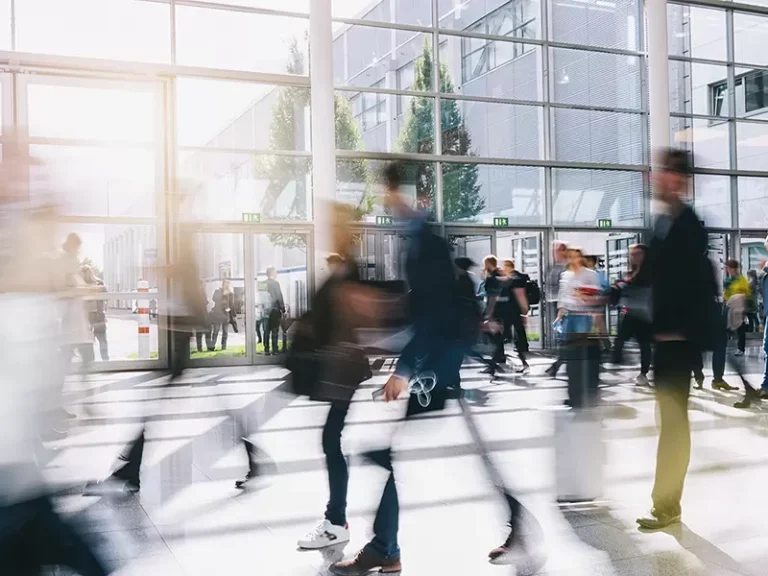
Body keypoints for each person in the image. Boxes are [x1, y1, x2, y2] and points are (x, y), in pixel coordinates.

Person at [331, 163, 527, 575]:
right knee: (463, 451)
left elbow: (434, 313)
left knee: (409, 453)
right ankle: (388, 546)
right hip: (442, 357)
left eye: (391, 192)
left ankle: (387, 547)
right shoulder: (418, 241)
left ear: (406, 194)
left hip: (442, 361)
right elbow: (422, 309)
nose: (388, 200)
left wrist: (403, 369)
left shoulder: (426, 244)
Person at [636, 149, 718, 531]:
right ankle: (666, 502)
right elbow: (651, 277)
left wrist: (681, 330)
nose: (656, 179)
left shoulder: (689, 226)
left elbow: (696, 284)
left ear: (678, 179)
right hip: (664, 340)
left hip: (678, 342)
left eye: (663, 173)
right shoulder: (662, 224)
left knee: (673, 424)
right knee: (670, 422)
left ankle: (667, 505)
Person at [297, 206, 372, 549]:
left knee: (330, 440)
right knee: (330, 440)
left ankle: (337, 520)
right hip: (343, 368)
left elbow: (348, 317)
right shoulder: (345, 267)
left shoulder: (349, 269)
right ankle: (337, 518)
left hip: (344, 370)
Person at [556, 247, 602, 408]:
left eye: (576, 257)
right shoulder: (566, 275)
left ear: (581, 258)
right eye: (570, 257)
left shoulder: (590, 275)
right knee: (571, 356)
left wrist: (584, 295)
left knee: (582, 354)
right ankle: (573, 394)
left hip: (584, 315)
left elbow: (596, 296)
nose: (573, 260)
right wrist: (560, 315)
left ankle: (586, 393)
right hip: (569, 315)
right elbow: (562, 296)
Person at [611, 244, 652, 386]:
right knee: (620, 339)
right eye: (632, 254)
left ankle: (643, 373)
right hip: (630, 312)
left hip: (644, 313)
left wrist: (624, 286)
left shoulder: (649, 272)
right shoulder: (631, 272)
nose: (634, 257)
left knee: (644, 344)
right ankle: (618, 362)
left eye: (638, 253)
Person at [502, 258, 531, 374]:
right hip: (513, 311)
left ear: (509, 267)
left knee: (510, 336)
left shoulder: (515, 279)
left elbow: (520, 295)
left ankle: (524, 362)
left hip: (512, 311)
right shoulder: (515, 278)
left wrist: (524, 310)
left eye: (505, 266)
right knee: (517, 335)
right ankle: (523, 361)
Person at [481, 255, 507, 378]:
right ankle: (499, 356)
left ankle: (496, 358)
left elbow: (493, 296)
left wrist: (489, 313)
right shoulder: (499, 275)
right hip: (500, 308)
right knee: (495, 334)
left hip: (494, 309)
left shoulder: (493, 277)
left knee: (490, 332)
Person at [545, 241, 568, 377]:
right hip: (554, 304)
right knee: (561, 337)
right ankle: (557, 364)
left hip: (562, 306)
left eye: (556, 250)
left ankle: (557, 365)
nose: (553, 252)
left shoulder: (566, 267)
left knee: (564, 337)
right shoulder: (554, 267)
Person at [82, 265, 109, 362]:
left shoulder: (98, 283)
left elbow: (106, 297)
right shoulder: (82, 285)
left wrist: (104, 310)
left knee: (101, 340)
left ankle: (105, 361)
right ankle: (93, 362)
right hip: (88, 316)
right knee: (90, 341)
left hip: (97, 315)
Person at [264, 266, 285, 355]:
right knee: (275, 330)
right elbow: (279, 296)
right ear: (272, 273)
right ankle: (275, 349)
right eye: (275, 272)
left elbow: (261, 297)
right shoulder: (276, 283)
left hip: (265, 310)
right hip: (275, 310)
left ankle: (266, 349)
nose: (276, 274)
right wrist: (282, 309)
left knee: (266, 330)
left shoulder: (262, 283)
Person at [209, 278, 234, 351]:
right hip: (222, 314)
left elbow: (231, 305)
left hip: (221, 314)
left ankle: (215, 346)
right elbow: (231, 305)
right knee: (222, 332)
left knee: (217, 331)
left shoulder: (228, 293)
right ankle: (222, 346)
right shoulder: (221, 292)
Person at [747, 268, 760, 333]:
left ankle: (751, 331)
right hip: (753, 301)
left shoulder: (750, 283)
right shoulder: (755, 282)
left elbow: (747, 292)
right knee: (754, 316)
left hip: (750, 301)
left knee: (750, 317)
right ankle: (756, 328)